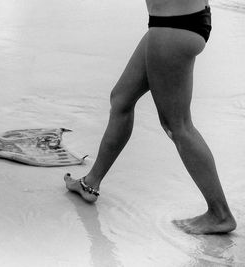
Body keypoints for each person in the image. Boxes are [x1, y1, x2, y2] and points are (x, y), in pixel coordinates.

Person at [64, 0, 237, 234]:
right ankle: (90, 183)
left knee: (177, 126)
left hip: (173, 27)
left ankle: (220, 214)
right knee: (122, 99)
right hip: (176, 22)